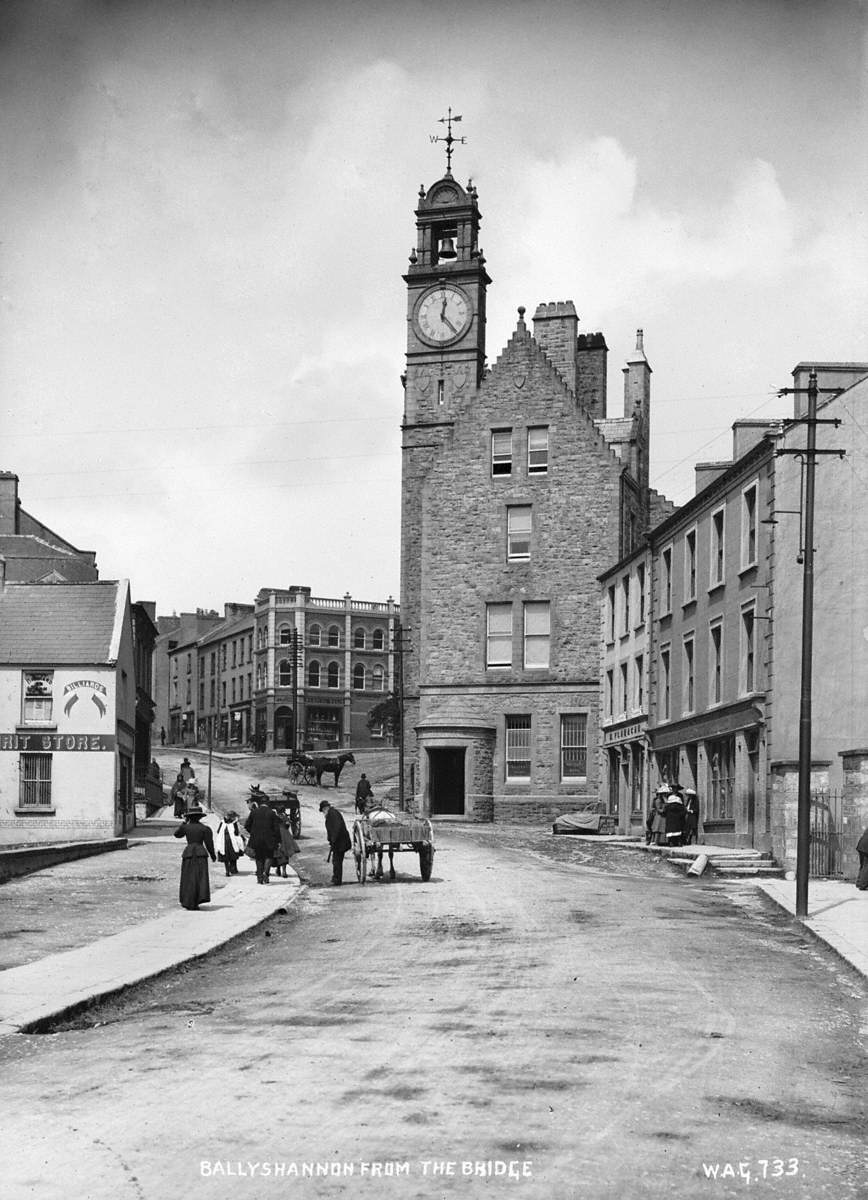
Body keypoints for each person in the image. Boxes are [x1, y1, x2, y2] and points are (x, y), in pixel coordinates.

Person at [173, 803, 216, 910]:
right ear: (200, 817)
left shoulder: (186, 828)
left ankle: (188, 901)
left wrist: (183, 823)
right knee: (199, 877)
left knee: (188, 878)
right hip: (201, 853)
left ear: (189, 817)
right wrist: (213, 855)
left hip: (188, 853)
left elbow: (177, 834)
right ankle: (197, 900)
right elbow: (209, 844)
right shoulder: (205, 828)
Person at [244, 797, 283, 884]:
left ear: (260, 803)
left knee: (258, 857)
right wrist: (279, 840)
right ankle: (266, 872)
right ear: (268, 803)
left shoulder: (254, 812)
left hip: (256, 839)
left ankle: (259, 878)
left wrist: (253, 832)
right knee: (269, 856)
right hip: (269, 839)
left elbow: (247, 825)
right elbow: (277, 829)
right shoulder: (272, 813)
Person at [320, 798, 351, 886]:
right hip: (338, 841)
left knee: (337, 861)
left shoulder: (332, 814)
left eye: (323, 811)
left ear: (325, 808)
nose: (323, 813)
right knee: (336, 860)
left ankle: (337, 879)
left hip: (340, 842)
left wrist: (333, 839)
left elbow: (337, 828)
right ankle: (336, 878)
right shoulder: (332, 813)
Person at [273, 802, 300, 878]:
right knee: (285, 853)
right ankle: (284, 871)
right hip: (285, 834)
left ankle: (278, 869)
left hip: (276, 834)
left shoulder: (274, 817)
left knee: (277, 852)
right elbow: (288, 825)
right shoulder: (285, 817)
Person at [214, 810, 245, 876]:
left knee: (225, 856)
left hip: (223, 840)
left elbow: (218, 831)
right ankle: (233, 869)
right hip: (231, 840)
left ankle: (227, 870)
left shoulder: (222, 822)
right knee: (233, 854)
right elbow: (236, 833)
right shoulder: (234, 823)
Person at [856, 826, 868, 891]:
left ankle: (859, 883)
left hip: (861, 845)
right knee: (866, 866)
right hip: (866, 847)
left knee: (863, 865)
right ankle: (863, 885)